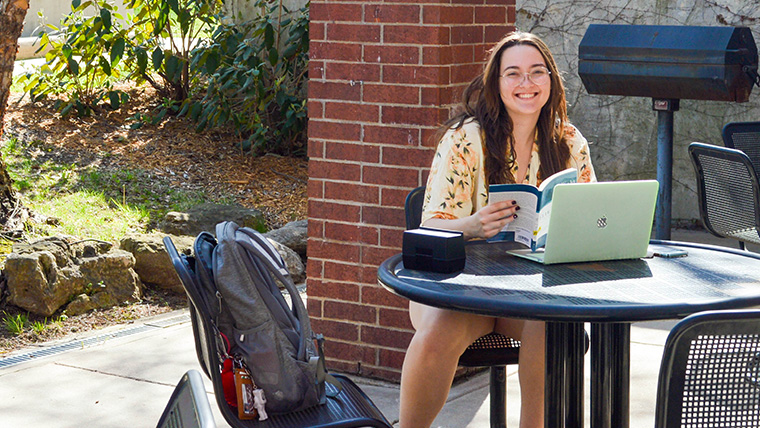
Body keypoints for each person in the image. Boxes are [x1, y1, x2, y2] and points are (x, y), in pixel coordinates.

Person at [399, 31, 596, 428]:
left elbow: (591, 216)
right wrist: (472, 225)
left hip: (527, 290)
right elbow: (430, 226)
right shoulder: (465, 138)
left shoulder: (569, 141)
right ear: (496, 83)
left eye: (537, 72)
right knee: (438, 333)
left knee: (551, 325)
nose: (527, 84)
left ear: (551, 81)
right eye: (513, 74)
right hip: (456, 284)